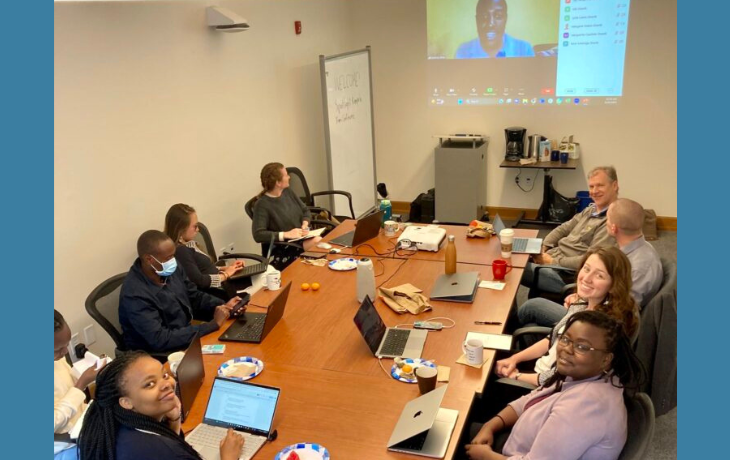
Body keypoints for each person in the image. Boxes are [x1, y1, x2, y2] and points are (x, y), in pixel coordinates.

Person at [465, 310, 645, 460]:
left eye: (582, 347)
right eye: (565, 339)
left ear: (606, 359)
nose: (567, 349)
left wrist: (485, 456)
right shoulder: (581, 375)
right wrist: (490, 426)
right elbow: (530, 400)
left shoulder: (587, 406)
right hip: (515, 446)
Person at [496, 246, 638, 387]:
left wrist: (516, 376)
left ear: (614, 285)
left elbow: (561, 376)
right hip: (543, 367)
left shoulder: (595, 329)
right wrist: (514, 359)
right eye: (586, 269)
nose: (587, 278)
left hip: (545, 388)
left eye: (599, 275)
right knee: (493, 357)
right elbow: (552, 338)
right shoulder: (583, 304)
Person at [518, 198, 664, 327]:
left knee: (530, 307)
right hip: (591, 303)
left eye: (607, 220)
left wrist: (581, 303)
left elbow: (618, 315)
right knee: (531, 325)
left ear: (613, 228)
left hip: (595, 322)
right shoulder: (640, 248)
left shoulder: (636, 267)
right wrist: (581, 296)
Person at [78, 351, 244, 460]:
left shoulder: (117, 424)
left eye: (164, 375)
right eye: (149, 384)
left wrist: (174, 421)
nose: (166, 384)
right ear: (126, 402)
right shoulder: (164, 452)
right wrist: (229, 457)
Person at [119, 230, 241, 354]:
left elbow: (194, 296)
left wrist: (222, 307)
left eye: (173, 255)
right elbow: (160, 339)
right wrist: (211, 325)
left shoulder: (170, 269)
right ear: (149, 259)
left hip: (183, 336)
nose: (174, 261)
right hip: (157, 354)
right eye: (168, 258)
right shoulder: (134, 295)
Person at [521, 166, 620, 294]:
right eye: (591, 186)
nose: (594, 191)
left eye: (600, 186)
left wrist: (552, 261)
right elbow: (563, 228)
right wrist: (544, 246)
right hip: (554, 257)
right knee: (513, 254)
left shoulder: (611, 221)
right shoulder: (591, 210)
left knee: (512, 269)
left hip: (566, 274)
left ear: (615, 185)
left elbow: (592, 260)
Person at [55, 310, 106, 459]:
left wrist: (89, 374)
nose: (65, 352)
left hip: (80, 422)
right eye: (58, 349)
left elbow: (64, 383)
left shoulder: (56, 358)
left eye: (66, 345)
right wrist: (81, 383)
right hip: (62, 446)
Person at [164, 203, 243, 300]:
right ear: (181, 228)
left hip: (222, 287)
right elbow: (199, 280)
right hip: (216, 296)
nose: (198, 229)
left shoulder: (188, 244)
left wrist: (227, 268)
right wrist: (225, 275)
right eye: (195, 226)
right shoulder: (181, 251)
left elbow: (203, 269)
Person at [251, 162, 322, 252]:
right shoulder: (262, 205)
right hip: (284, 246)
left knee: (324, 244)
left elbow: (305, 210)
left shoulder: (287, 192)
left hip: (300, 238)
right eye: (286, 175)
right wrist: (286, 234)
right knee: (320, 244)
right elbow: (258, 235)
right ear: (278, 183)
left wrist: (305, 224)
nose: (289, 177)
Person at [455, 0, 534, 59]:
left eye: (498, 16)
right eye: (484, 16)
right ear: (477, 21)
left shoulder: (524, 50)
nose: (490, 23)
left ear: (505, 19)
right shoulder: (463, 52)